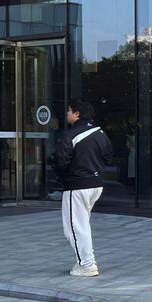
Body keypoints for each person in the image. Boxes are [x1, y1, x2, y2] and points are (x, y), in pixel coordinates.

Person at [52, 99, 113, 277]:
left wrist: (65, 177)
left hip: (76, 186)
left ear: (77, 114)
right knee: (82, 224)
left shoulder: (70, 135)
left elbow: (60, 161)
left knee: (75, 227)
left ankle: (87, 264)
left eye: (69, 111)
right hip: (96, 185)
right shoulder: (100, 133)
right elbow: (108, 156)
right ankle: (83, 260)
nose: (67, 114)